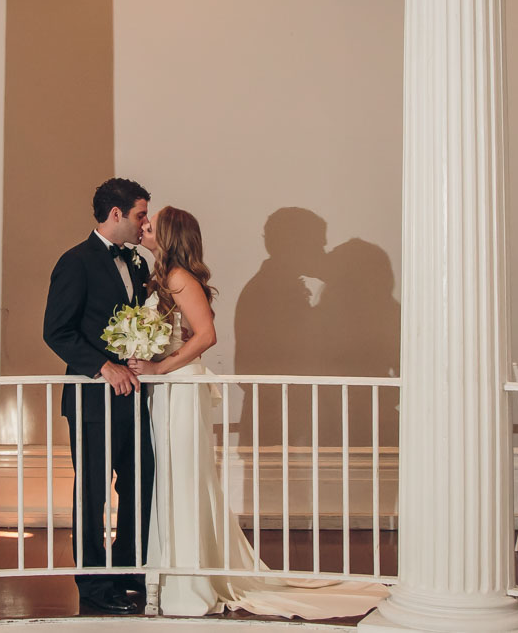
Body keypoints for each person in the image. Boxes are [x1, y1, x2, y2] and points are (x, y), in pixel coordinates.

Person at [130, 206, 387, 619]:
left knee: (183, 480)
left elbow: (207, 335)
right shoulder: (166, 277)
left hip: (179, 387)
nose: (143, 227)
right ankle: (177, 577)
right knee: (177, 480)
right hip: (170, 390)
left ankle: (190, 583)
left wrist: (160, 366)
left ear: (169, 234)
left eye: (151, 224)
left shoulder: (178, 277)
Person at [41, 177, 155, 615]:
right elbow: (57, 331)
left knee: (138, 482)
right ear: (116, 215)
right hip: (91, 400)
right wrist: (102, 366)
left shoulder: (140, 264)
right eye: (140, 214)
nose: (145, 223)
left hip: (135, 398)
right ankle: (93, 585)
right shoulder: (76, 261)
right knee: (92, 493)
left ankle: (129, 569)